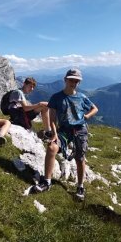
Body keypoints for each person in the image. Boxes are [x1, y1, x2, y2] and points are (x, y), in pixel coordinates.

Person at [32, 69, 98, 200]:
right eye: (71, 80)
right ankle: (47, 182)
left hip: (80, 130)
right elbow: (51, 119)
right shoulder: (56, 97)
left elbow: (95, 108)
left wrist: (86, 116)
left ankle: (80, 186)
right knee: (52, 148)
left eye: (76, 81)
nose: (73, 83)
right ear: (65, 80)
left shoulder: (82, 97)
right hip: (64, 131)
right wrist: (54, 134)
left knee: (80, 158)